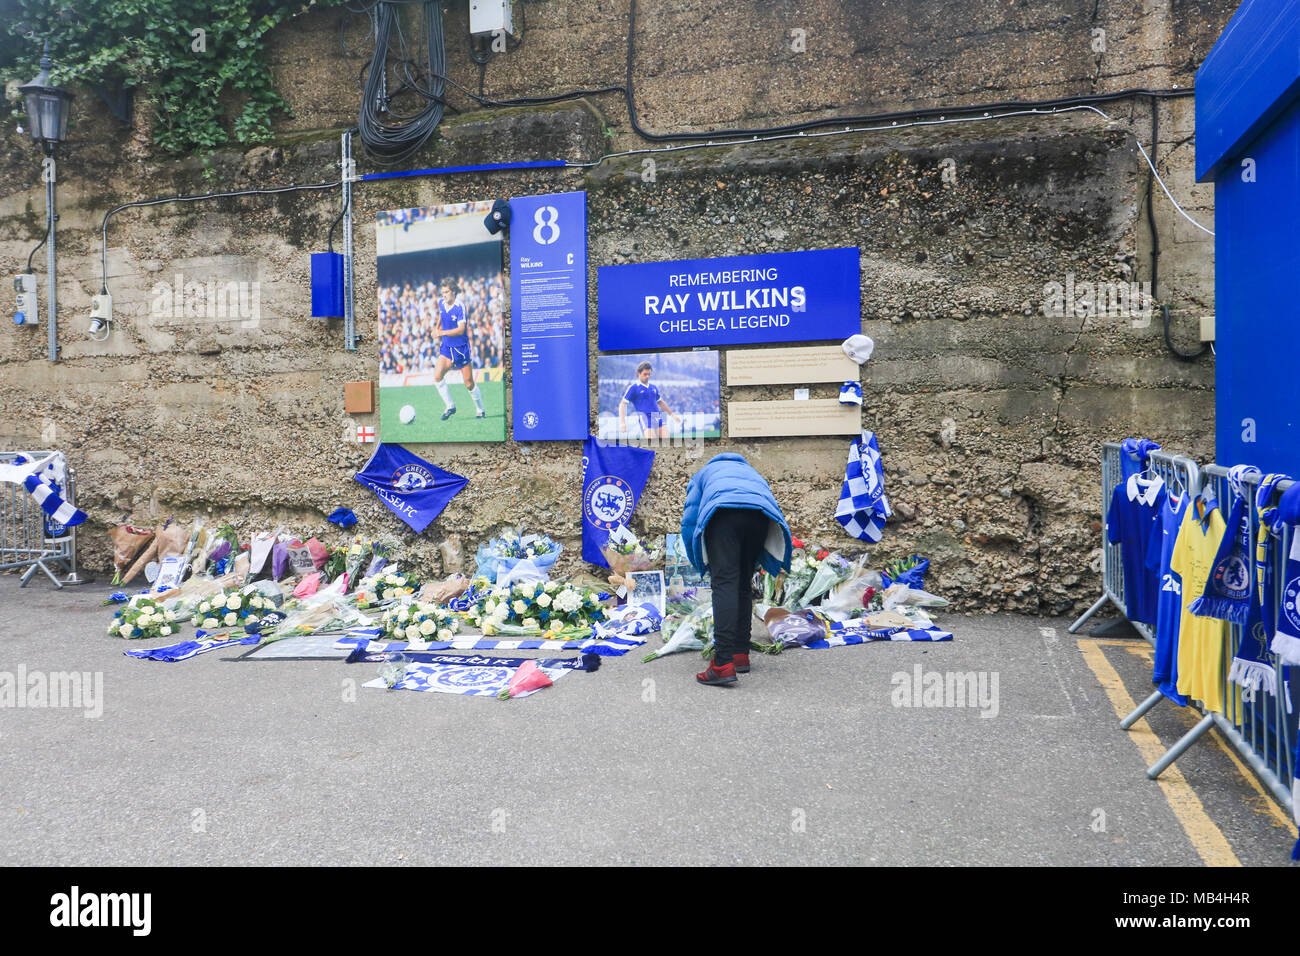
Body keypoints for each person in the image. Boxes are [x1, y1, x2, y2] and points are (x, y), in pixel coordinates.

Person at [680, 453, 792, 686]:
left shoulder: (703, 474)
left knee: (724, 582)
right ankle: (740, 653)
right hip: (759, 518)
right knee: (742, 582)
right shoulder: (752, 473)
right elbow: (770, 503)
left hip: (723, 515)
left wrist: (699, 559)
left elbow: (690, 520)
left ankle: (722, 663)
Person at [432, 279, 486, 421]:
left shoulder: (460, 306)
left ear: (453, 292)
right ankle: (450, 406)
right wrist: (436, 327)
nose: (444, 295)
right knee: (437, 376)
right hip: (446, 348)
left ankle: (480, 410)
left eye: (447, 292)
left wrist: (442, 332)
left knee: (469, 383)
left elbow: (461, 329)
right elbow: (441, 315)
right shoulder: (441, 303)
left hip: (461, 349)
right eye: (442, 292)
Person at [619, 361, 682, 439]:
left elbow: (660, 402)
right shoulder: (633, 388)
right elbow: (622, 404)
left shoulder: (653, 387)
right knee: (652, 443)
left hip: (657, 416)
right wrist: (622, 423)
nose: (647, 376)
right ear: (638, 373)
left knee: (667, 441)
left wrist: (672, 415)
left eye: (649, 374)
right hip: (645, 417)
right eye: (645, 374)